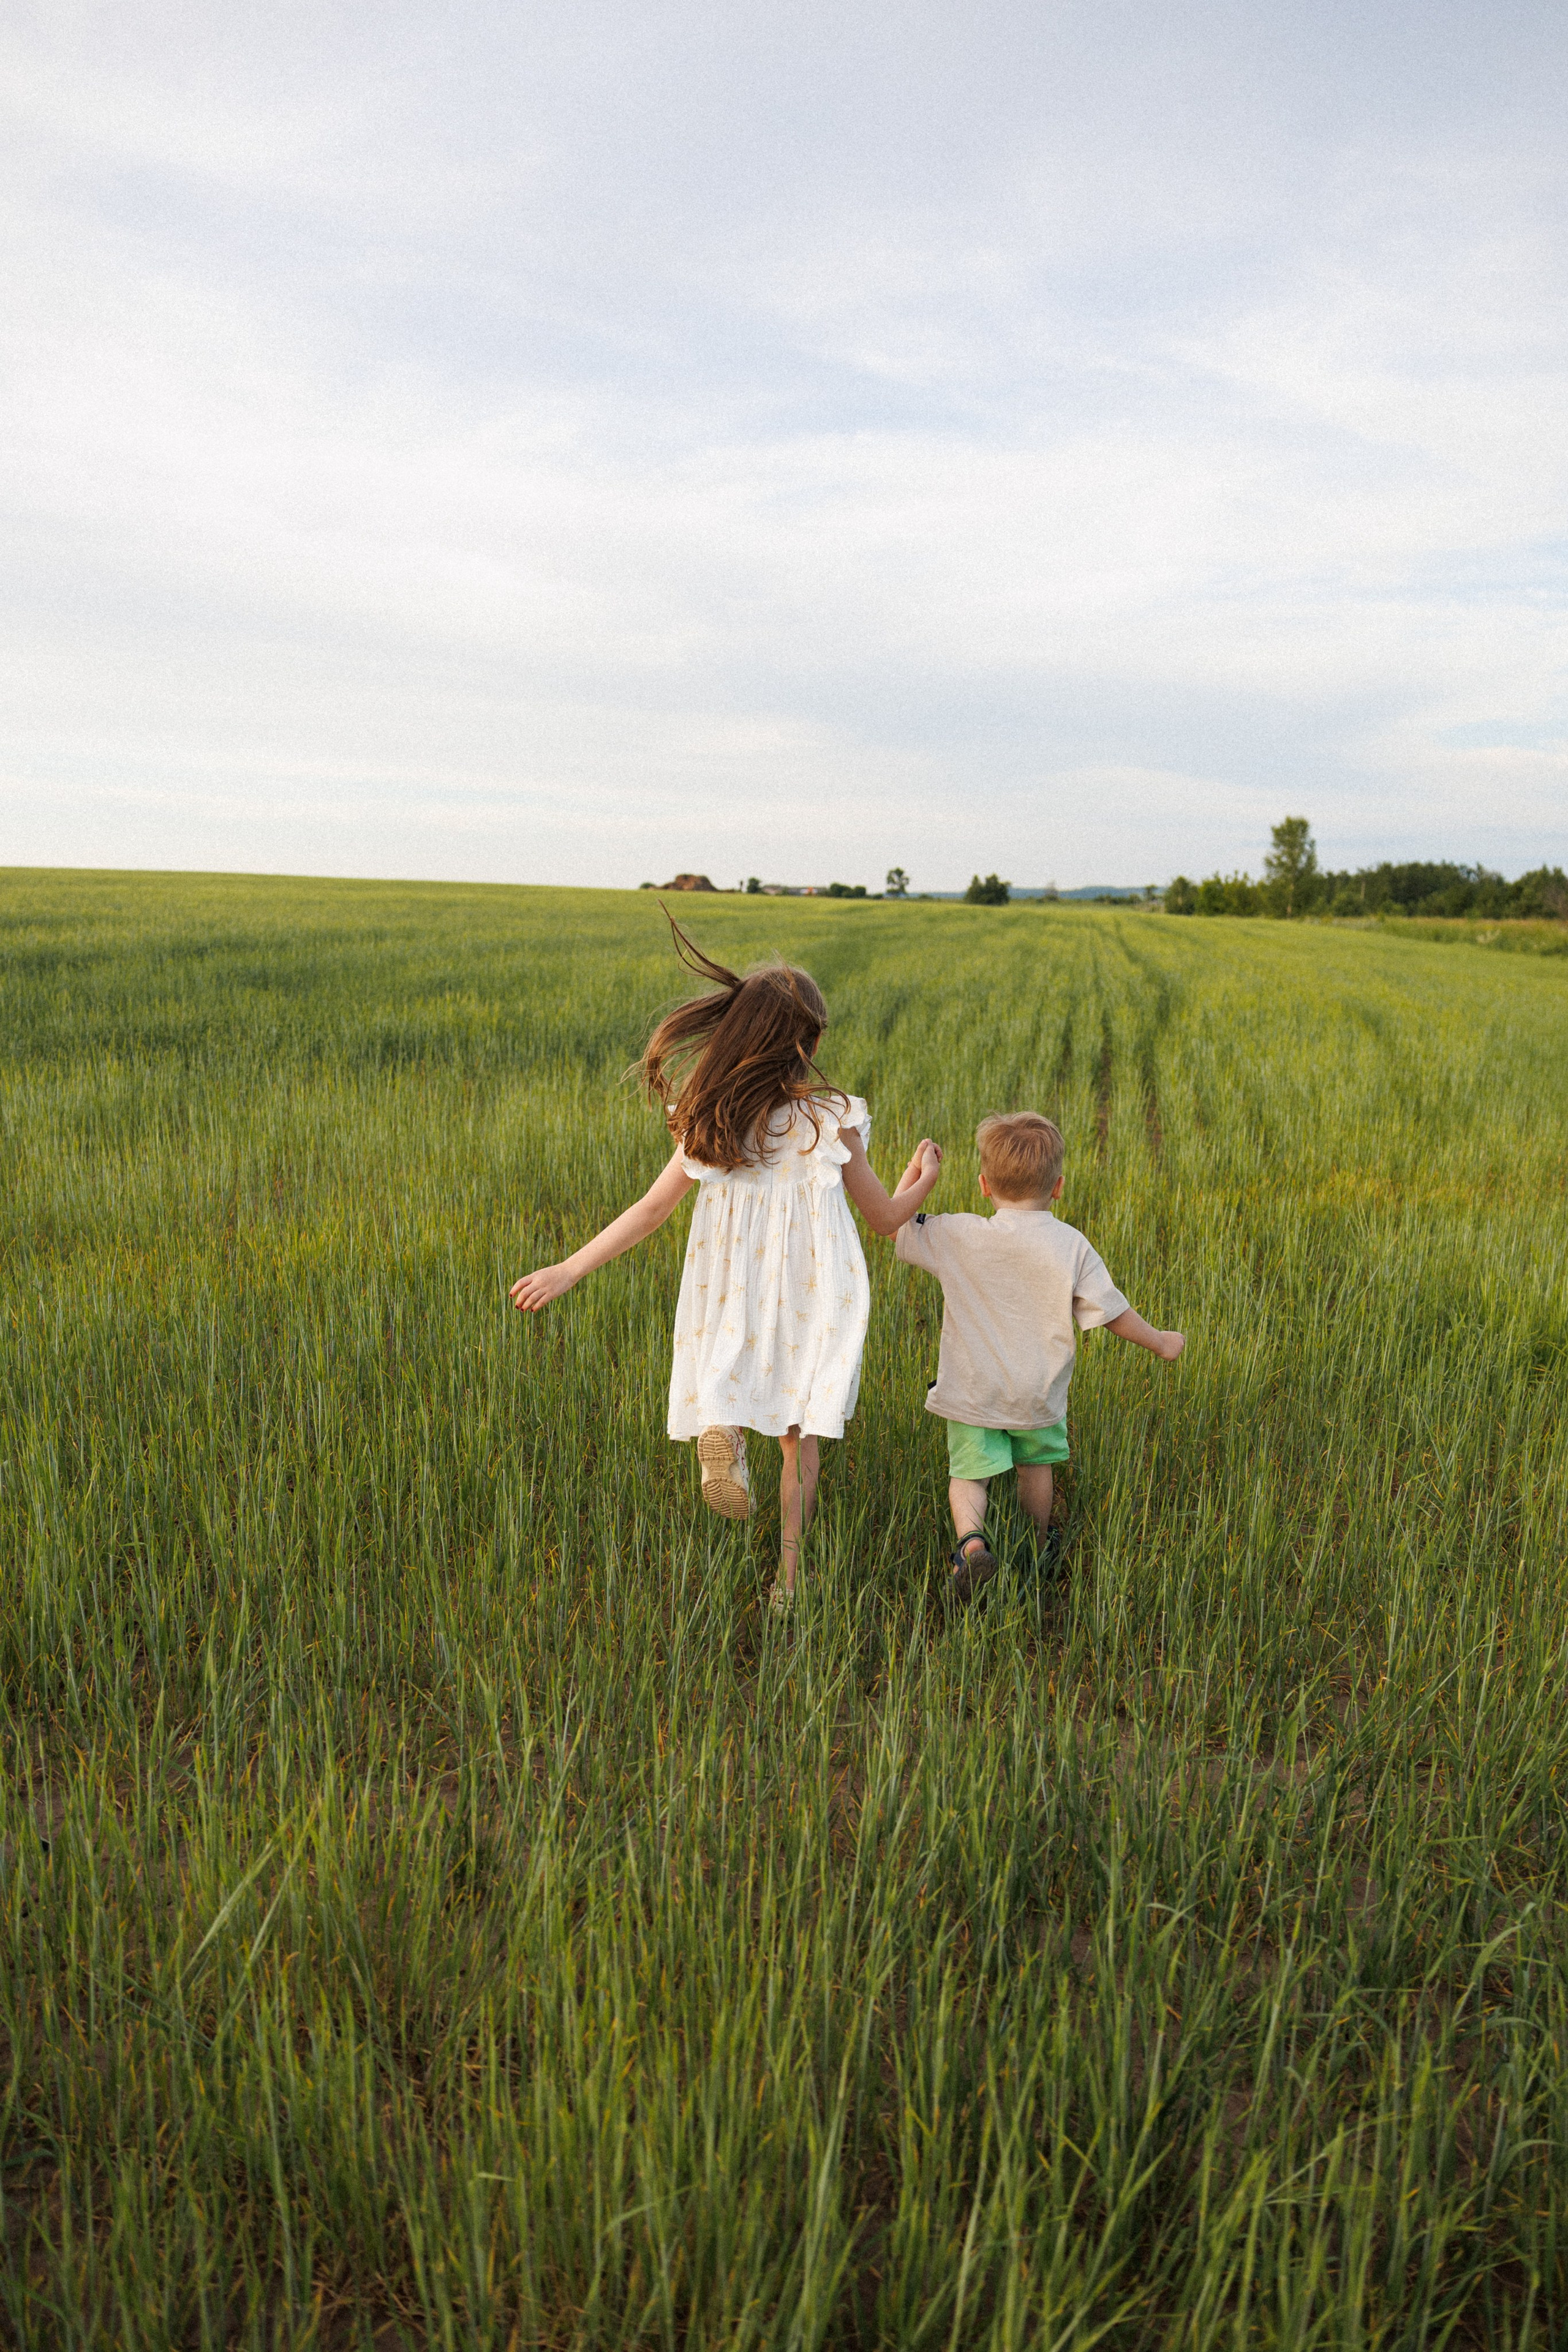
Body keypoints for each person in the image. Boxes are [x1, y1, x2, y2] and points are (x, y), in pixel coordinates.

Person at [510, 921, 943, 1608]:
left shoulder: (710, 1116)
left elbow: (649, 1211)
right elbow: (886, 1220)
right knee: (799, 1440)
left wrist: (568, 1269)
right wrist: (922, 1175)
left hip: (729, 1287)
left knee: (731, 1375)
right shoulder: (831, 1119)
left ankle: (724, 1430)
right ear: (809, 1044)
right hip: (812, 1287)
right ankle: (789, 1584)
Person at [895, 1110, 1184, 1600]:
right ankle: (1035, 1546)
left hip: (972, 1387)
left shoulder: (959, 1233)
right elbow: (1111, 1312)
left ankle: (970, 1545)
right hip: (1038, 1389)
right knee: (1037, 1469)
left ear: (984, 1185)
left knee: (969, 1474)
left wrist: (918, 1171)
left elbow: (895, 1223)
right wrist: (1159, 1340)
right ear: (1059, 1186)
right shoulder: (1070, 1245)